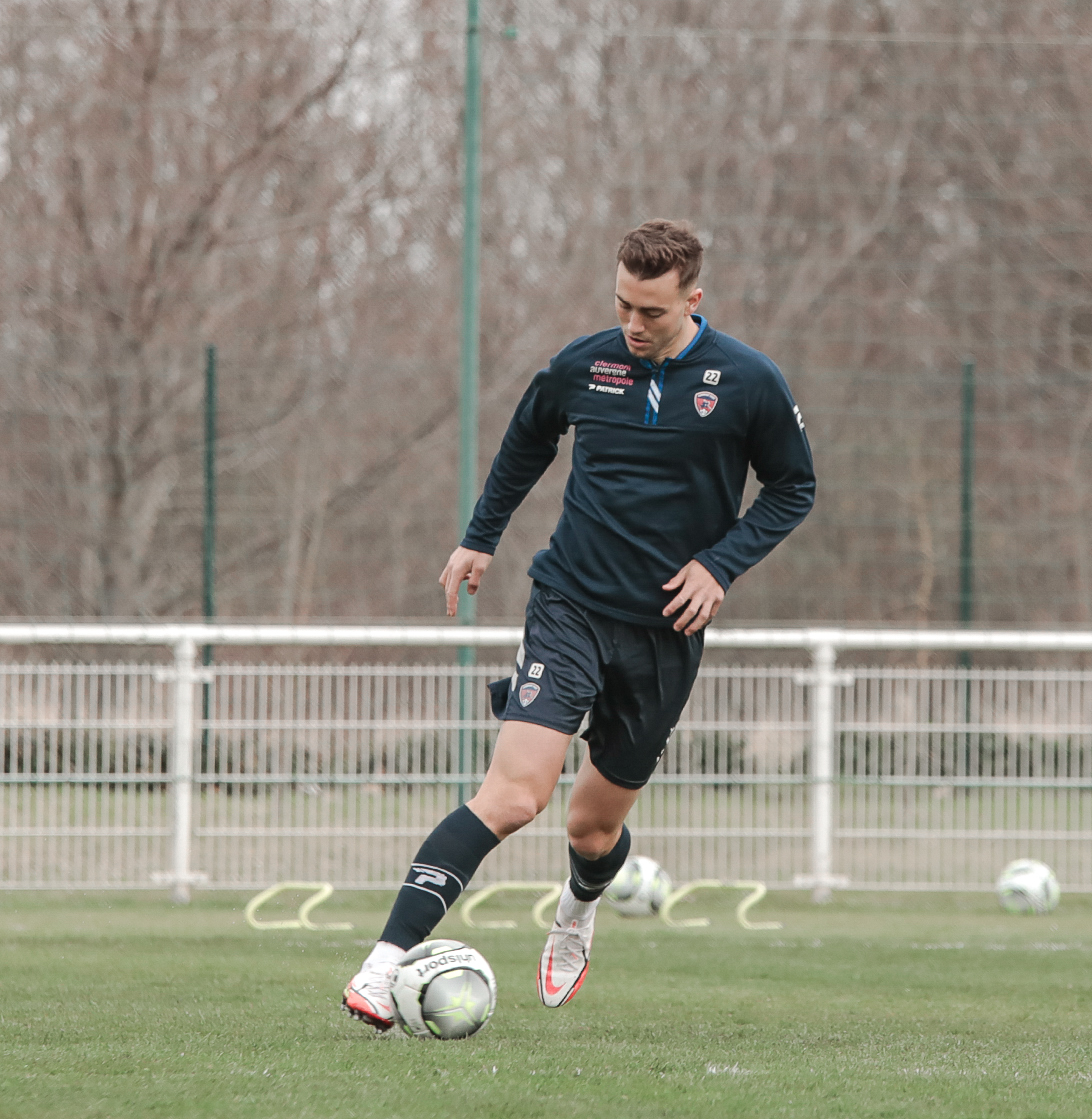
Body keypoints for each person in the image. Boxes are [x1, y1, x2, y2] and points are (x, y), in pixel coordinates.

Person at [342, 218, 816, 1029]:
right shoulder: (585, 363)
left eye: (653, 312)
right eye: (624, 305)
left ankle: (577, 915)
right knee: (513, 796)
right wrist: (478, 539)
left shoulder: (748, 381)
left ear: (693, 299)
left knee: (592, 830)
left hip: (666, 630)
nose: (633, 325)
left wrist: (719, 565)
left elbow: (792, 489)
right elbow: (527, 441)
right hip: (569, 606)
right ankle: (381, 970)